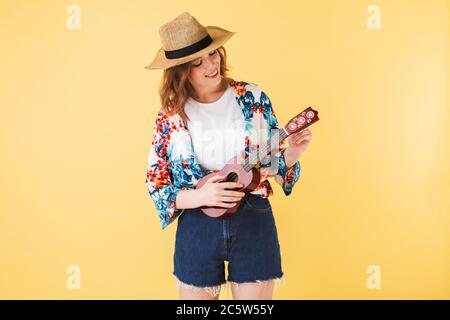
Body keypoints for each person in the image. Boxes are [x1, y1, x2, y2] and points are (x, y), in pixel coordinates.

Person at [145, 12, 313, 300]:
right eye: (198, 63)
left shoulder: (253, 97)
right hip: (196, 222)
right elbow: (157, 185)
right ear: (181, 72)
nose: (212, 65)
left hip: (252, 217)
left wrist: (293, 153)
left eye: (212, 54)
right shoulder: (170, 117)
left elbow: (271, 165)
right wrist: (200, 197)